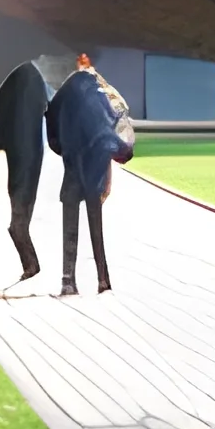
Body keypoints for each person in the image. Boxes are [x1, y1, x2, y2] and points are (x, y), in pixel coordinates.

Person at [45, 55, 133, 297]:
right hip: (94, 170)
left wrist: (66, 151)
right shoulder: (102, 93)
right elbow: (115, 131)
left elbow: (51, 127)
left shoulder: (63, 95)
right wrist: (115, 159)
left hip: (73, 168)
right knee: (97, 228)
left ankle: (68, 281)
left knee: (69, 228)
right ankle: (102, 280)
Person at [0, 61, 51, 279]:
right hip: (29, 154)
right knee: (19, 219)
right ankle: (31, 265)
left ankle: (31, 266)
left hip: (21, 154)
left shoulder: (17, 78)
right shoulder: (31, 79)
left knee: (18, 222)